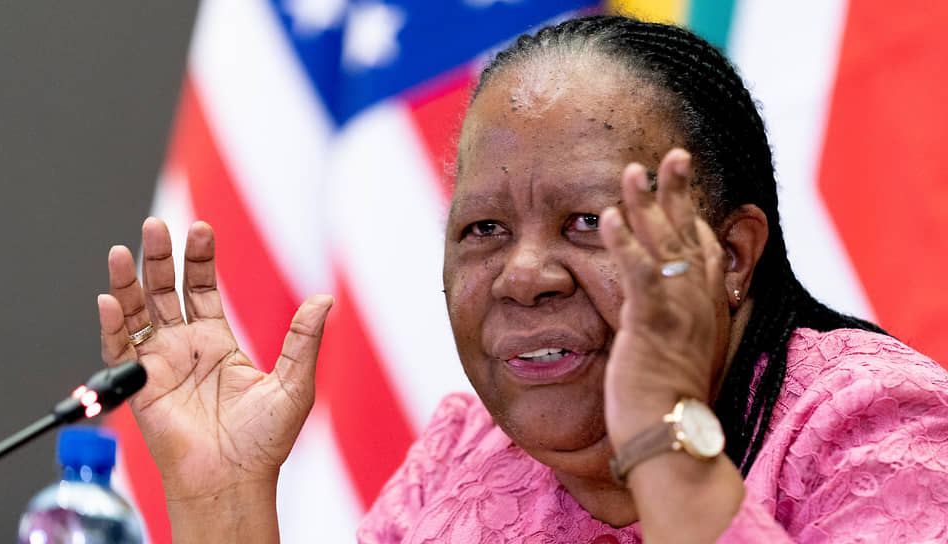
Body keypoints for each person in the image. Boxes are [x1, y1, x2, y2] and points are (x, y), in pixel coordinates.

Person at [97, 14, 948, 544]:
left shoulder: (876, 427)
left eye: (588, 222)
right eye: (484, 230)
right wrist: (225, 501)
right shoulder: (465, 459)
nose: (524, 275)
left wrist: (660, 434)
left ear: (730, 254)